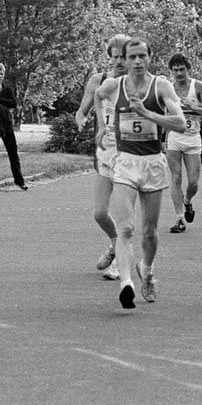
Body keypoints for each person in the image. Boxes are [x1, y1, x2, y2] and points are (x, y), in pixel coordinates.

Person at [94, 38, 186, 309]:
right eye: (131, 57)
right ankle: (126, 284)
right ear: (125, 58)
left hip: (153, 163)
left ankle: (147, 270)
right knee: (126, 228)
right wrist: (101, 126)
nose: (135, 62)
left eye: (140, 56)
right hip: (125, 162)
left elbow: (180, 123)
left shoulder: (161, 86)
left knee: (148, 233)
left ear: (149, 57)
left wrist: (148, 113)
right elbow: (98, 96)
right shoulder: (115, 86)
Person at [74, 34, 130, 279]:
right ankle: (115, 242)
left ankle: (120, 262)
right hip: (105, 154)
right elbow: (81, 110)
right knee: (99, 213)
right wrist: (81, 120)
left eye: (123, 56)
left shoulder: (137, 83)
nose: (119, 61)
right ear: (110, 57)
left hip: (130, 156)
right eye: (115, 56)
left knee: (123, 211)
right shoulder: (99, 80)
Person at [165, 53, 202, 234]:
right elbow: (163, 115)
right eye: (175, 70)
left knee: (193, 182)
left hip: (193, 138)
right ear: (171, 71)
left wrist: (193, 108)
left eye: (182, 69)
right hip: (174, 138)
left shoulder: (198, 86)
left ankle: (187, 202)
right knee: (176, 178)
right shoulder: (168, 89)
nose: (179, 73)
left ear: (188, 69)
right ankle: (179, 219)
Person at [0, 61, 28, 191]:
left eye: (1, 74)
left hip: (7, 124)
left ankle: (19, 181)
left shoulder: (7, 89)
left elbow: (13, 103)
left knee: (13, 153)